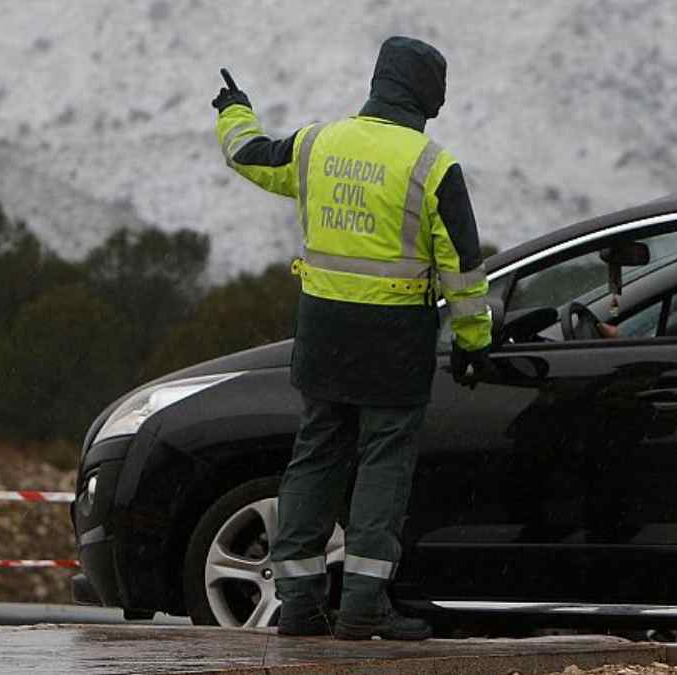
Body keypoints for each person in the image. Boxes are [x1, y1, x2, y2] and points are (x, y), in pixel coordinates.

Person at [212, 36, 494, 640]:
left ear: (377, 82)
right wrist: (474, 339)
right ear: (430, 99)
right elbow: (463, 269)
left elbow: (250, 155)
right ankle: (365, 606)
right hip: (394, 341)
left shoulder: (318, 143)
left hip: (324, 333)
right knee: (383, 466)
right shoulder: (432, 166)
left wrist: (234, 109)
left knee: (314, 458)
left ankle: (299, 605)